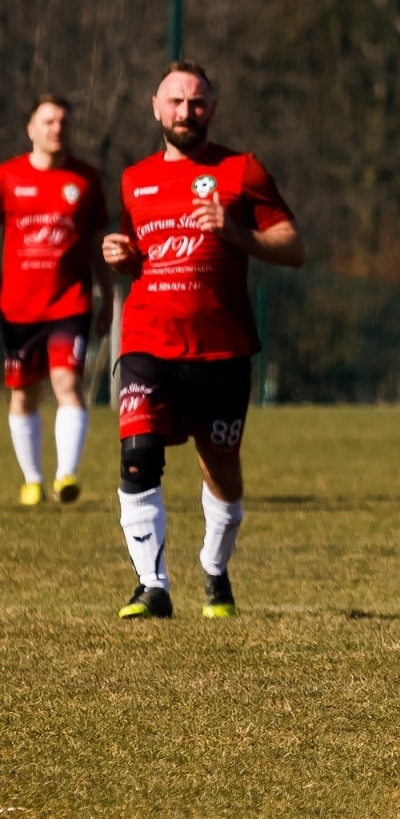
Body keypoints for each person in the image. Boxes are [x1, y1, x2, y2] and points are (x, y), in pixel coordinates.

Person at [102, 61, 305, 618]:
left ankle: (214, 569)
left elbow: (293, 247)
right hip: (147, 340)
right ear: (155, 107)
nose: (185, 112)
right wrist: (122, 257)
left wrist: (235, 232)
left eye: (196, 102)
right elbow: (139, 256)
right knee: (137, 456)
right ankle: (152, 585)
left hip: (221, 348)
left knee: (221, 468)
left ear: (212, 108)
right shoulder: (133, 178)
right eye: (175, 102)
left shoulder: (242, 171)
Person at [0, 95, 113, 505]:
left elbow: (97, 242)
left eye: (63, 122)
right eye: (48, 121)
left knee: (67, 381)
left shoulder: (85, 179)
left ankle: (66, 476)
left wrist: (109, 297)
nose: (57, 128)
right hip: (18, 306)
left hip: (71, 302)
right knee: (24, 391)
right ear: (31, 128)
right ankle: (32, 479)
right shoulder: (7, 176)